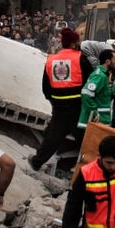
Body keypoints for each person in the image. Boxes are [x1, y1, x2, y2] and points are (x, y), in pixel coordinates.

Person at [29, 27, 94, 171]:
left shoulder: (51, 60)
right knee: (84, 138)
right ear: (73, 43)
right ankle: (90, 168)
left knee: (53, 137)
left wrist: (54, 101)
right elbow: (91, 80)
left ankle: (37, 162)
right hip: (78, 105)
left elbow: (46, 88)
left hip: (59, 106)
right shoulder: (81, 58)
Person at [77, 49, 115, 130]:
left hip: (99, 123)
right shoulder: (100, 76)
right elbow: (86, 93)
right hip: (95, 124)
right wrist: (94, 113)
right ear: (108, 61)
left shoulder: (103, 75)